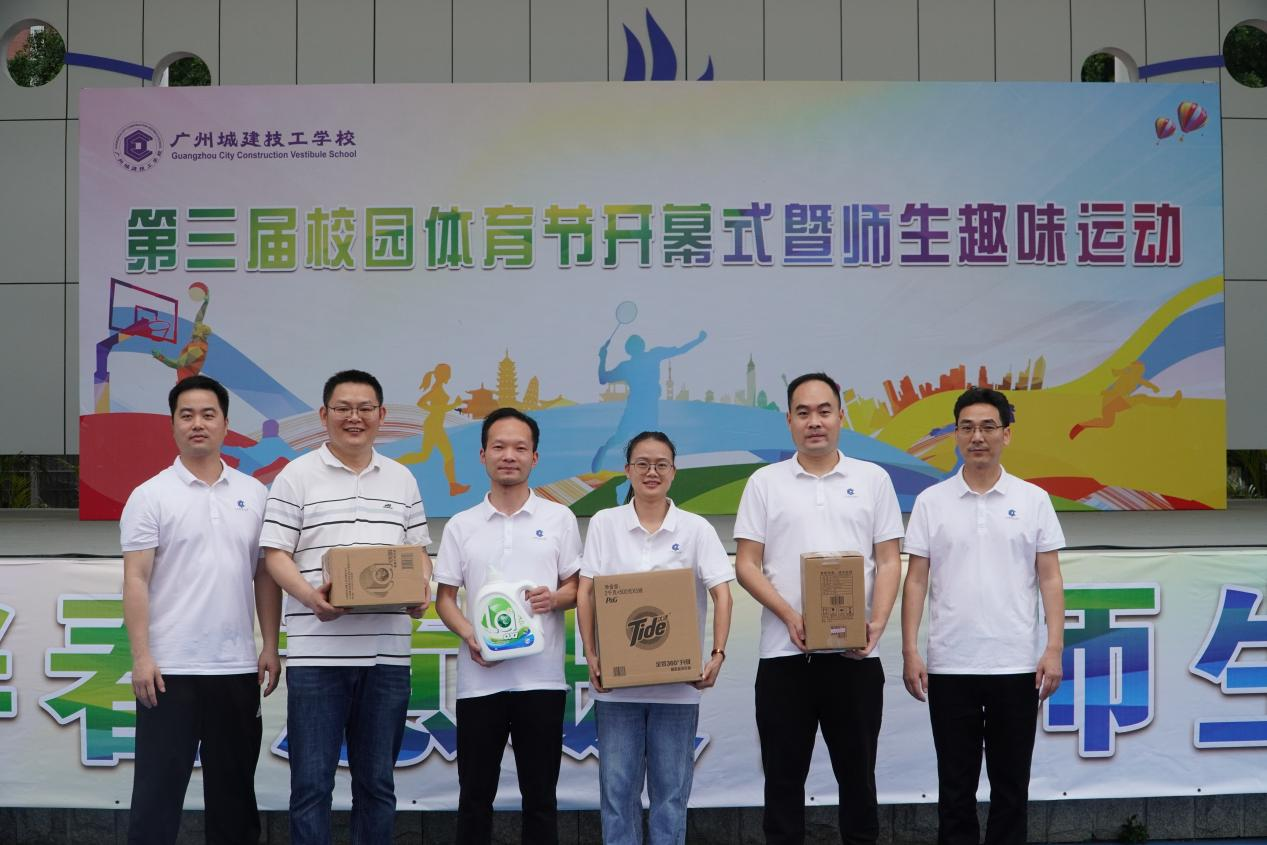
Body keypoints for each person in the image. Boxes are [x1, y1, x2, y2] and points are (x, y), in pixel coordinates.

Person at [259, 369, 431, 845]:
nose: (354, 417)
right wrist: (310, 597)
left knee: (377, 785)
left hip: (387, 657)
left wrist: (421, 592)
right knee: (311, 785)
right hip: (317, 656)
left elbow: (417, 553)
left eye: (364, 408)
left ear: (381, 415)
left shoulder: (401, 479)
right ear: (324, 414)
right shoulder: (295, 476)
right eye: (343, 408)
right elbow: (275, 554)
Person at [734, 372, 903, 845]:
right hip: (785, 657)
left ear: (841, 417)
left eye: (824, 411)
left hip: (856, 657)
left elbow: (889, 559)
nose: (815, 422)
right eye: (803, 413)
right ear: (789, 420)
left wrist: (877, 623)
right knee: (783, 780)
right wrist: (790, 616)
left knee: (859, 779)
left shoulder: (873, 479)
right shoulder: (765, 483)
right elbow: (746, 564)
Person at [120, 374, 281, 845]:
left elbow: (264, 574)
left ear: (226, 424)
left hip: (235, 668)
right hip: (168, 670)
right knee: (156, 794)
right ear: (172, 425)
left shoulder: (255, 494)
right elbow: (135, 578)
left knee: (234, 797)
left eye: (208, 415)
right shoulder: (150, 495)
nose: (197, 424)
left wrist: (270, 646)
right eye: (186, 415)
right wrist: (142, 656)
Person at [901, 387, 1066, 845]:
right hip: (950, 665)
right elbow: (916, 581)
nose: (978, 437)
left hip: (1016, 665)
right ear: (955, 435)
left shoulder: (1033, 499)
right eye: (968, 427)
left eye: (988, 427)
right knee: (955, 790)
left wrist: (1053, 648)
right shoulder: (932, 501)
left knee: (1011, 788)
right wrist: (911, 650)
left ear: (1006, 435)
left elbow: (1050, 578)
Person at [578, 431, 735, 845]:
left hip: (678, 690)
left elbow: (722, 593)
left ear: (674, 472)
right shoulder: (605, 524)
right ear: (627, 471)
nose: (652, 472)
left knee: (671, 797)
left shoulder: (696, 528)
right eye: (643, 464)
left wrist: (717, 653)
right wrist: (591, 655)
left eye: (661, 464)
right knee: (617, 796)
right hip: (616, 690)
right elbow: (586, 592)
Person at [434, 407, 581, 844]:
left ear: (535, 457)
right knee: (474, 798)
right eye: (499, 446)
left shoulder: (559, 519)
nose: (509, 456)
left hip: (542, 680)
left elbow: (578, 588)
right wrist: (469, 635)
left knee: (541, 798)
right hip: (480, 683)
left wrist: (554, 598)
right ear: (483, 455)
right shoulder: (462, 525)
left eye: (520, 447)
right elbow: (444, 598)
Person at [591, 330, 706, 472]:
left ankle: (610, 452)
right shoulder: (651, 356)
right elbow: (680, 350)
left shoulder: (629, 365)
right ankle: (611, 454)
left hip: (640, 408)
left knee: (630, 438)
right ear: (642, 345)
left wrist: (602, 357)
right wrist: (698, 340)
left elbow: (603, 378)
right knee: (639, 440)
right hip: (643, 408)